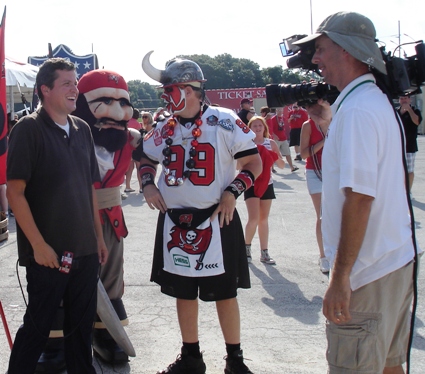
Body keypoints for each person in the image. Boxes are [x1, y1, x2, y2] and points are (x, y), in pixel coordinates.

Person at [294, 11, 419, 373]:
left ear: (346, 50)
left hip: (366, 275)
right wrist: (326, 122)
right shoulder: (368, 102)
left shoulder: (358, 112)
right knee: (389, 365)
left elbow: (360, 197)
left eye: (320, 48)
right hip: (391, 263)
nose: (314, 58)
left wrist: (340, 277)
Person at [137, 51, 262, 374]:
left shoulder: (222, 119)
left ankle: (235, 360)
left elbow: (253, 163)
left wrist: (232, 193)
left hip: (217, 219)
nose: (165, 98)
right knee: (183, 292)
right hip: (175, 221)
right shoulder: (165, 126)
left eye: (170, 91)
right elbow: (145, 158)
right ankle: (191, 357)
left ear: (188, 89)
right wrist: (149, 184)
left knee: (224, 293)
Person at [6, 58, 108, 374]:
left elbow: (90, 188)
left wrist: (98, 237)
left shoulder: (82, 129)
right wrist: (37, 246)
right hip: (47, 255)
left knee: (81, 331)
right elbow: (15, 193)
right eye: (66, 83)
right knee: (36, 329)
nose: (75, 89)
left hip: (86, 251)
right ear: (45, 90)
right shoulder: (28, 129)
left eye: (75, 83)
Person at [72, 69, 141, 363]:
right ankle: (57, 336)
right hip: (70, 214)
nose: (117, 113)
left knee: (110, 275)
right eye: (104, 102)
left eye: (123, 103)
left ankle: (106, 332)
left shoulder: (131, 139)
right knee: (65, 275)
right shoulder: (65, 134)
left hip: (110, 216)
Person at [244, 116, 285, 265]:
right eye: (254, 126)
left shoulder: (271, 143)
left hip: (267, 184)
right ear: (250, 128)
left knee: (263, 220)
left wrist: (274, 156)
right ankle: (246, 249)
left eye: (260, 125)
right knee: (253, 218)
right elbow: (238, 165)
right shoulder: (247, 144)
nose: (257, 128)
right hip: (251, 184)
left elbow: (281, 165)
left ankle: (264, 252)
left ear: (264, 127)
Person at [299, 100, 331, 273]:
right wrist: (323, 142)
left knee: (338, 213)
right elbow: (303, 153)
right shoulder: (308, 125)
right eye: (308, 107)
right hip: (315, 172)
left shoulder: (333, 120)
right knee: (322, 215)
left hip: (334, 172)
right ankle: (323, 255)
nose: (311, 110)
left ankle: (338, 251)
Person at [397, 95, 422, 192]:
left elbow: (417, 121)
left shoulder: (415, 111)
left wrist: (409, 110)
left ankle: (408, 191)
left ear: (410, 99)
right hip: (397, 146)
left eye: (406, 98)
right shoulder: (396, 112)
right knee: (397, 170)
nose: (404, 100)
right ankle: (399, 190)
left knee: (409, 171)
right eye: (402, 98)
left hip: (410, 146)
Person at [271, 107, 298, 172]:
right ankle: (272, 168)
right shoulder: (273, 119)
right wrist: (274, 135)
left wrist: (291, 119)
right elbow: (270, 129)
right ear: (276, 111)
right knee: (273, 154)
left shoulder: (283, 118)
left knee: (288, 153)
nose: (280, 111)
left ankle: (292, 167)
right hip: (276, 139)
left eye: (281, 110)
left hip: (283, 138)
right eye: (279, 110)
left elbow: (286, 123)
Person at [125, 107, 143, 193]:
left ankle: (127, 186)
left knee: (130, 168)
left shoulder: (127, 122)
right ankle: (141, 187)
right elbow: (139, 137)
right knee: (139, 167)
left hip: (127, 146)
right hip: (136, 146)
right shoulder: (137, 124)